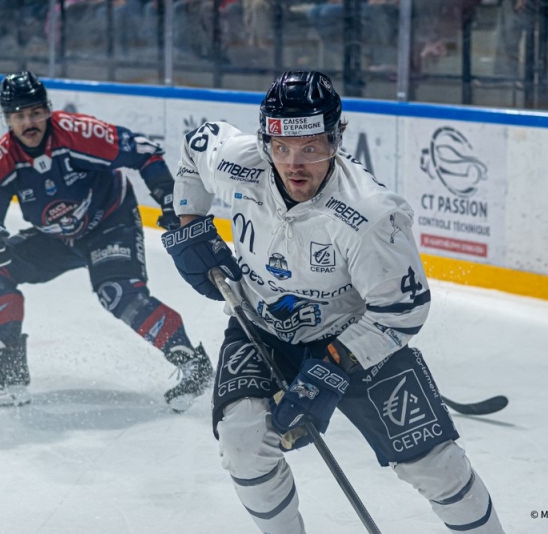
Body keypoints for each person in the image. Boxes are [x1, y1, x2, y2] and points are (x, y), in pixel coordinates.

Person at [161, 71, 504, 533]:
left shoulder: (369, 215)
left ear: (337, 138)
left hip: (355, 338)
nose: (294, 164)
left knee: (435, 466)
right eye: (280, 148)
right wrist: (188, 223)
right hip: (259, 324)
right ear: (265, 140)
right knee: (242, 443)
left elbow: (402, 312)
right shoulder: (239, 163)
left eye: (312, 148)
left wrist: (333, 365)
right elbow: (196, 145)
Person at [0, 70, 213, 411]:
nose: (29, 123)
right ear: (7, 120)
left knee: (118, 293)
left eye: (35, 112)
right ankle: (9, 366)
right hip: (57, 238)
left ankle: (192, 363)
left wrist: (169, 198)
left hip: (110, 222)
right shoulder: (1, 160)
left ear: (48, 109)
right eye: (19, 116)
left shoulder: (78, 135)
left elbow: (145, 151)